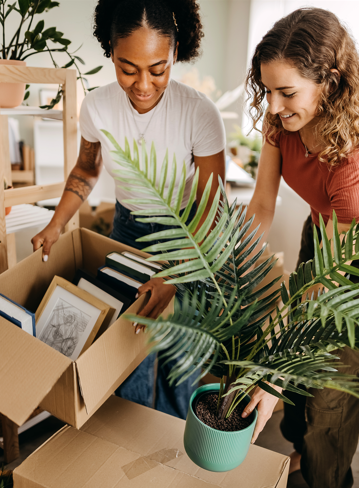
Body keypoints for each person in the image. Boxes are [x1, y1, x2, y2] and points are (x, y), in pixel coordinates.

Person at [238, 8, 359, 488]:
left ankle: (326, 481)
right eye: (267, 90)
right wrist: (232, 262)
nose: (272, 106)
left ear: (330, 82)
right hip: (323, 236)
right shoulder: (281, 123)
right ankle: (301, 455)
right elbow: (263, 205)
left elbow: (320, 287)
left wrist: (266, 379)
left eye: (286, 92)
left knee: (330, 391)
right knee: (300, 382)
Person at [31, 0, 226, 419]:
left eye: (158, 69)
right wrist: (56, 224)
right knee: (126, 350)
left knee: (179, 357)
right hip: (127, 232)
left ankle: (174, 448)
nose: (142, 84)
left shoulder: (199, 114)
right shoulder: (98, 107)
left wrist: (175, 272)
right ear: (110, 52)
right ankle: (130, 444)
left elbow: (212, 208)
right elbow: (86, 168)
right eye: (127, 68)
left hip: (189, 240)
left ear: (175, 52)